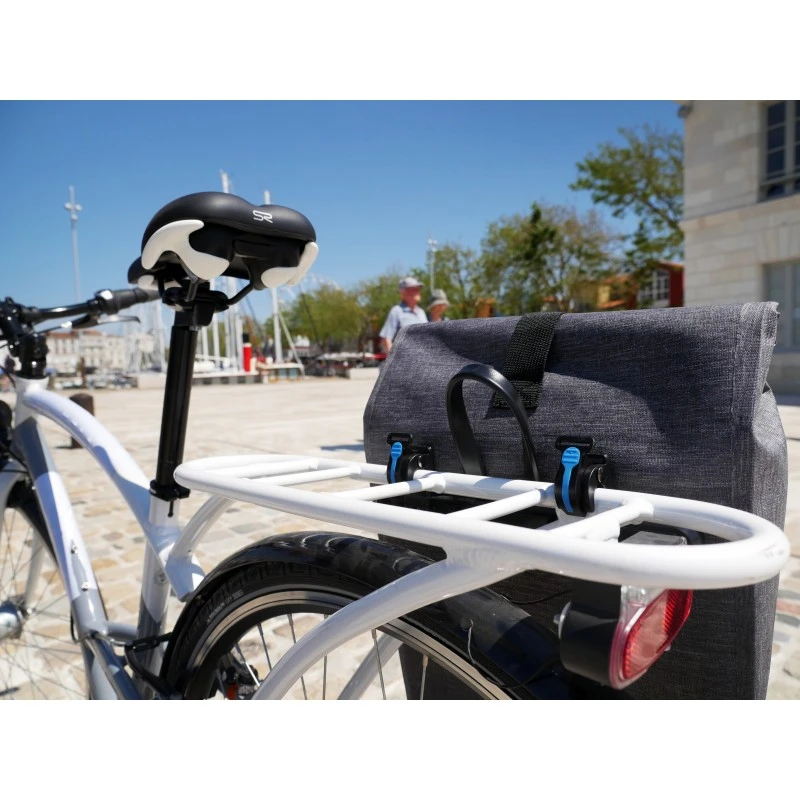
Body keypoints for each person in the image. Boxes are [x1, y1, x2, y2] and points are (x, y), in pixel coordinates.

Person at [379, 277, 428, 353]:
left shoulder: (421, 312)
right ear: (404, 293)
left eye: (418, 289)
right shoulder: (396, 311)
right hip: (404, 359)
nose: (418, 292)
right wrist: (394, 359)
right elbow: (387, 339)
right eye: (414, 289)